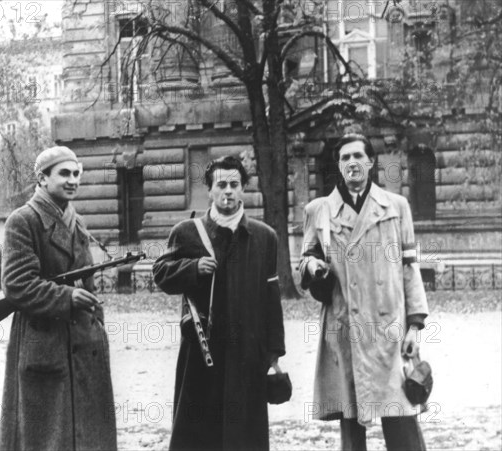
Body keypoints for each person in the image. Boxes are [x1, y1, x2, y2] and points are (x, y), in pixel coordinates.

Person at [299, 134, 429, 451]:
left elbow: (410, 268)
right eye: (345, 158)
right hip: (345, 325)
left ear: (370, 162)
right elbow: (305, 258)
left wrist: (414, 325)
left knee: (400, 416)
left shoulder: (396, 206)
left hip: (389, 326)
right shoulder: (319, 210)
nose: (352, 163)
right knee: (351, 420)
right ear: (338, 165)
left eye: (358, 156)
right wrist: (313, 267)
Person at [153, 156, 286, 451]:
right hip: (202, 353)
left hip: (248, 352)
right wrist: (192, 268)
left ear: (243, 190)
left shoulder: (265, 237)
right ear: (210, 191)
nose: (228, 191)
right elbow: (160, 274)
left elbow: (271, 298)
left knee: (244, 433)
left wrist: (274, 353)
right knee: (199, 431)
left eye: (234, 185)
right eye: (221, 184)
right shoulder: (186, 232)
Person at [0, 146, 117, 451]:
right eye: (64, 173)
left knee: (88, 436)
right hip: (44, 340)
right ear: (42, 178)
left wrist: (95, 319)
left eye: (77, 173)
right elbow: (17, 283)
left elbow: (87, 276)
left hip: (83, 341)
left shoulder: (75, 220)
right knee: (46, 436)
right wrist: (67, 296)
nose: (73, 180)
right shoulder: (23, 220)